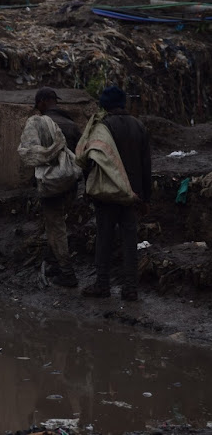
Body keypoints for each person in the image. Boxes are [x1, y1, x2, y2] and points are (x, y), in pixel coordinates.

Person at [80, 86, 151, 301]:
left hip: (106, 193)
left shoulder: (102, 128)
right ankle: (130, 289)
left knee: (104, 238)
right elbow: (146, 165)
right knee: (129, 240)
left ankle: (102, 285)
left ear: (104, 105)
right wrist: (146, 197)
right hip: (132, 194)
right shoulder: (139, 126)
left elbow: (89, 160)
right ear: (124, 103)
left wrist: (88, 189)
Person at [33, 87, 82, 288]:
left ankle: (67, 273)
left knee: (56, 228)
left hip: (49, 184)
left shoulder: (39, 125)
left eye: (37, 105)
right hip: (70, 184)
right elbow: (81, 156)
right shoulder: (71, 125)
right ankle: (53, 263)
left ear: (43, 102)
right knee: (58, 224)